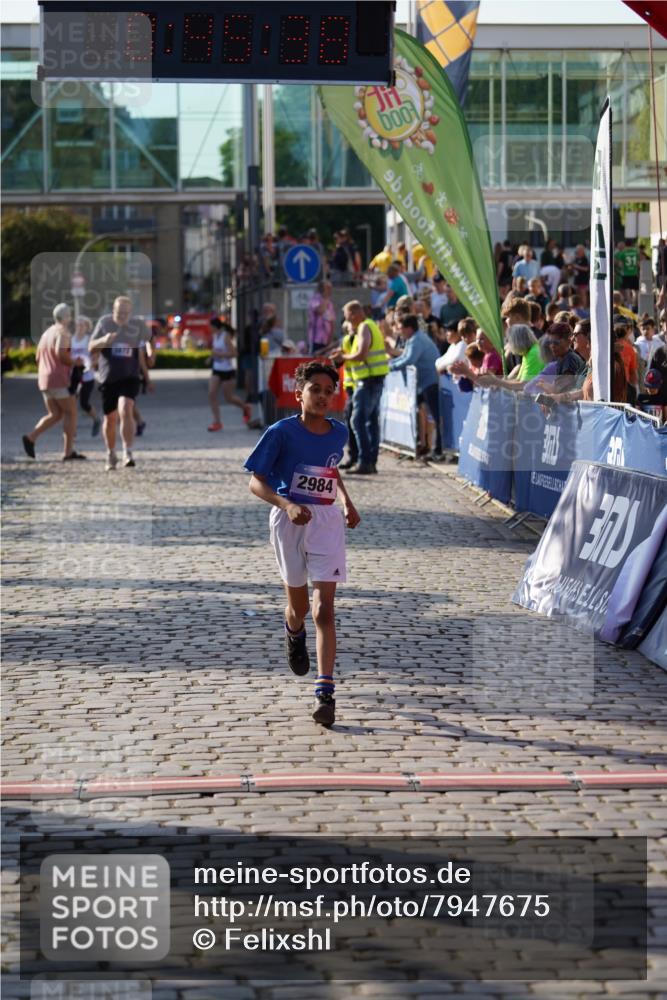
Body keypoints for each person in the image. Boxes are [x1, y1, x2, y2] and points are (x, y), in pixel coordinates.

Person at [244, 361, 361, 727]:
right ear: (299, 394)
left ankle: (325, 693)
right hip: (288, 520)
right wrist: (288, 504)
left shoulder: (339, 433)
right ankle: (293, 632)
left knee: (324, 609)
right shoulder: (280, 432)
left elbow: (329, 468)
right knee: (297, 607)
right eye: (316, 389)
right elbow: (255, 482)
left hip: (325, 520)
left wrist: (345, 500)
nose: (324, 396)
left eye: (330, 390)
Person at [89, 295, 153, 471]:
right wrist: (104, 340)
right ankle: (111, 453)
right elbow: (91, 346)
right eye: (119, 312)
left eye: (126, 313)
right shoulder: (104, 323)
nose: (123, 316)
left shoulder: (137, 324)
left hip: (130, 376)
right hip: (108, 377)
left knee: (126, 408)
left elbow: (149, 339)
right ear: (113, 311)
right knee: (110, 419)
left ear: (130, 312)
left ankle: (127, 452)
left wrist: (151, 353)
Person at [22, 302, 86, 462]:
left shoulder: (46, 333)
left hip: (44, 379)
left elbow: (37, 357)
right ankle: (68, 451)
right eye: (70, 315)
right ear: (66, 317)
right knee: (71, 412)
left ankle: (31, 438)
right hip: (59, 379)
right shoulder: (62, 332)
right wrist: (75, 362)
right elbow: (61, 353)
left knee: (55, 414)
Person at [333, 300, 390, 475]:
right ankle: (369, 461)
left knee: (357, 421)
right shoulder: (366, 327)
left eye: (347, 315)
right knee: (370, 421)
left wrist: (343, 356)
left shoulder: (365, 326)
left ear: (354, 314)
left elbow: (362, 354)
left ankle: (365, 461)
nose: (346, 319)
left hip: (369, 379)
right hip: (371, 378)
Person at [390, 314, 442, 459]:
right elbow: (404, 357)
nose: (399, 332)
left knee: (436, 416)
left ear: (409, 328)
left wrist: (390, 368)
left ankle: (437, 449)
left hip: (430, 382)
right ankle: (420, 444)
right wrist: (390, 365)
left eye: (401, 329)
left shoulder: (417, 340)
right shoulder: (413, 339)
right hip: (424, 383)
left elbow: (409, 360)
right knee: (417, 411)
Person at [207, 318, 251, 431]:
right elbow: (215, 351)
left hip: (227, 371)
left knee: (229, 398)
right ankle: (217, 422)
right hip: (217, 369)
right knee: (212, 394)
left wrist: (220, 354)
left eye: (210, 326)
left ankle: (245, 407)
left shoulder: (225, 336)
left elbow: (234, 354)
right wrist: (210, 358)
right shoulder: (214, 336)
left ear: (215, 326)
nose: (209, 328)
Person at [69, 315, 101, 437]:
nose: (80, 327)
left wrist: (92, 363)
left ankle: (96, 419)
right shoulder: (71, 340)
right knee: (71, 403)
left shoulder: (89, 340)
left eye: (83, 325)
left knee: (84, 403)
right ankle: (72, 430)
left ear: (87, 327)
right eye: (78, 325)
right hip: (73, 375)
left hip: (87, 375)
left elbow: (96, 356)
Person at [307, 280, 336, 354]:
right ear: (322, 289)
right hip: (316, 339)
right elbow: (320, 310)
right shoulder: (315, 299)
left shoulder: (330, 303)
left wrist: (330, 339)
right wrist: (325, 298)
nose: (330, 290)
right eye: (328, 288)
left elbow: (332, 322)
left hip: (327, 340)